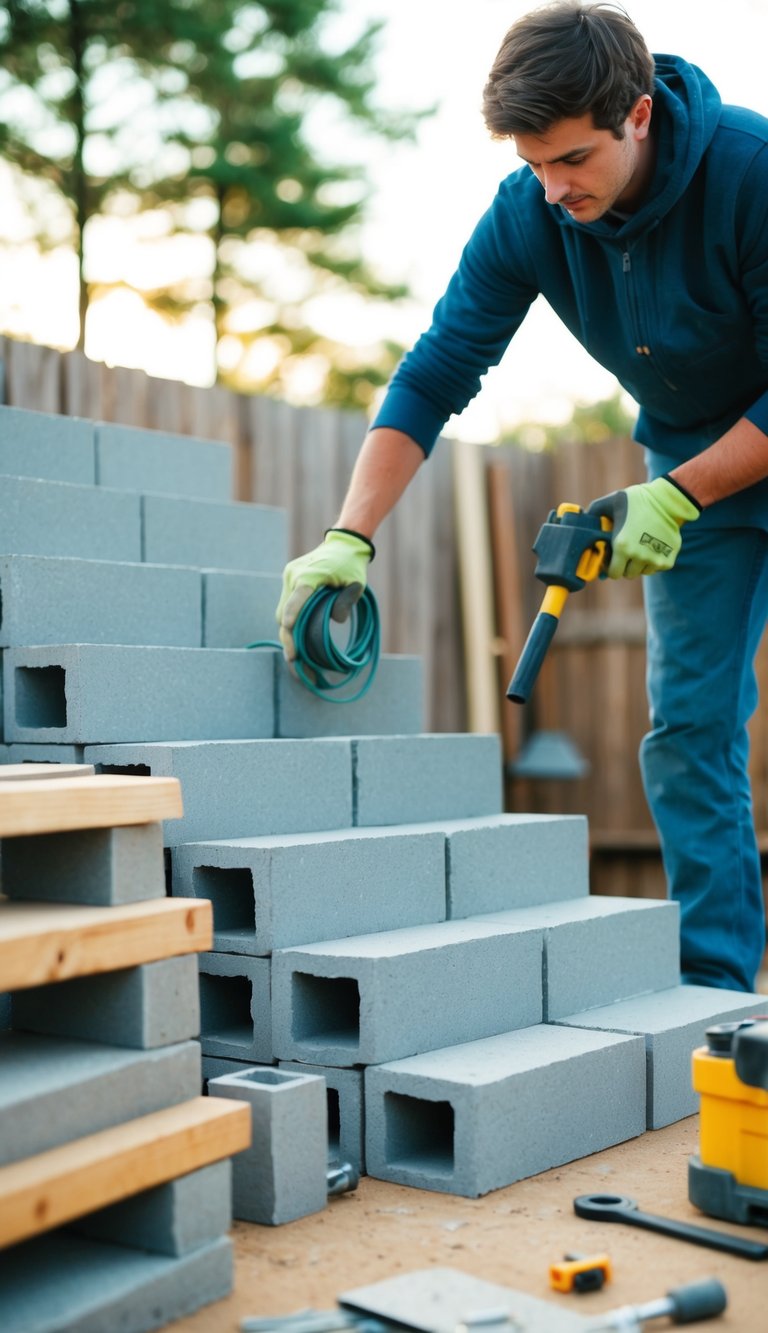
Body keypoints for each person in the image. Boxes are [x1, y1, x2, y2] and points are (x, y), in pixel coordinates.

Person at [276, 0, 768, 995]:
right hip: (693, 469)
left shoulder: (751, 173)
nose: (553, 188)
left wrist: (676, 495)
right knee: (688, 729)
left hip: (702, 475)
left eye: (573, 159)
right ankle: (716, 996)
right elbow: (435, 371)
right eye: (534, 163)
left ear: (638, 114)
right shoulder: (530, 213)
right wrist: (349, 535)